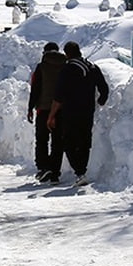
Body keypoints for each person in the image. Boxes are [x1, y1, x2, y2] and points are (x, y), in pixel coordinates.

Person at [47, 42, 109, 186]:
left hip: (71, 111)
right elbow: (103, 87)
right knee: (84, 141)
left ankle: (79, 171)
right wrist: (101, 100)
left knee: (69, 143)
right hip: (88, 110)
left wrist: (51, 116)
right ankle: (82, 171)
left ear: (67, 54)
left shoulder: (68, 69)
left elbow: (58, 95)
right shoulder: (92, 67)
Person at [27, 42, 66, 183]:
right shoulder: (65, 66)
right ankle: (55, 172)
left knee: (42, 140)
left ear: (45, 52)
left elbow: (35, 89)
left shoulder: (41, 67)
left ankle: (44, 168)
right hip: (61, 110)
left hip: (43, 109)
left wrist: (30, 108)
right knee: (57, 142)